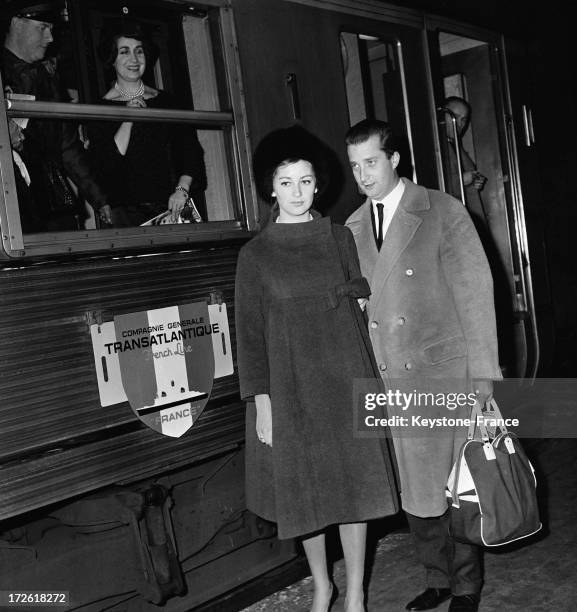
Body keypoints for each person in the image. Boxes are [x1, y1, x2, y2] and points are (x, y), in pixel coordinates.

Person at [236, 126, 398, 612]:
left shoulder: (339, 237)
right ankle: (322, 585)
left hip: (345, 375)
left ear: (318, 185)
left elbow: (360, 306)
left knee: (356, 486)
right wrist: (262, 402)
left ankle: (354, 593)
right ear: (271, 187)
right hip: (291, 388)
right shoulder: (255, 254)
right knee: (303, 494)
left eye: (305, 182)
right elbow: (249, 334)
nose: (297, 193)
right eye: (286, 183)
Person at [345, 119, 501, 612]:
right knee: (416, 490)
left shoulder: (441, 211)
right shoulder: (350, 228)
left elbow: (476, 297)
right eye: (355, 166)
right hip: (390, 378)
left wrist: (483, 379)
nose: (363, 175)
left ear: (394, 159)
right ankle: (436, 579)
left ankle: (465, 588)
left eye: (371, 162)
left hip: (441, 372)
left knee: (457, 484)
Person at [1, 1, 112, 231]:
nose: (50, 38)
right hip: (9, 198)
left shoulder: (47, 77)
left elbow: (67, 145)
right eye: (42, 27)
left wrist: (99, 198)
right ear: (15, 22)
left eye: (51, 29)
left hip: (50, 199)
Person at [87, 20, 206, 226]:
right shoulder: (99, 108)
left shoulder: (168, 102)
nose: (133, 59)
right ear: (111, 57)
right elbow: (108, 164)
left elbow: (191, 152)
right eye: (124, 51)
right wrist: (128, 119)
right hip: (126, 215)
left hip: (172, 206)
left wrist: (182, 190)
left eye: (139, 51)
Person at [442, 97, 486, 219]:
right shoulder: (436, 146)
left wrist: (474, 182)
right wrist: (461, 180)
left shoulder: (455, 145)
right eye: (454, 117)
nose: (459, 124)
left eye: (463, 120)